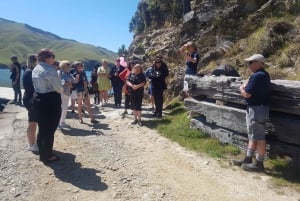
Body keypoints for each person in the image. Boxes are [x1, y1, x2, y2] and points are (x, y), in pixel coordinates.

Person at [232, 54, 270, 172]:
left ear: (258, 62)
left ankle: (259, 164)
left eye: (250, 62)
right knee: (253, 135)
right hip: (259, 109)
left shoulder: (258, 76)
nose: (248, 65)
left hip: (256, 110)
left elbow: (247, 93)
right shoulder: (263, 75)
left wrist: (241, 89)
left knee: (259, 137)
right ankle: (248, 159)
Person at [32, 48, 63, 164]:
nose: (53, 59)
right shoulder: (49, 69)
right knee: (50, 129)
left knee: (42, 128)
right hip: (51, 101)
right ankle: (48, 156)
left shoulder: (36, 68)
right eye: (52, 56)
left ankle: (42, 152)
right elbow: (58, 88)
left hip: (39, 99)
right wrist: (63, 87)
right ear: (47, 58)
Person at [22, 54, 38, 152]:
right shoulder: (30, 72)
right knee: (32, 123)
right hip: (30, 99)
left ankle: (32, 143)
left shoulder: (28, 71)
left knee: (33, 122)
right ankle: (31, 145)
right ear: (34, 61)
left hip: (28, 98)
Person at [57, 60, 78, 130]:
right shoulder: (59, 72)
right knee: (61, 108)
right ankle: (58, 123)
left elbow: (74, 81)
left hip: (67, 92)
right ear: (63, 66)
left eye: (69, 67)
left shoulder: (68, 74)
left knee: (65, 108)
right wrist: (68, 83)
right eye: (68, 67)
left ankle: (62, 122)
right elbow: (60, 81)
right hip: (61, 92)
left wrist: (76, 79)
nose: (69, 68)